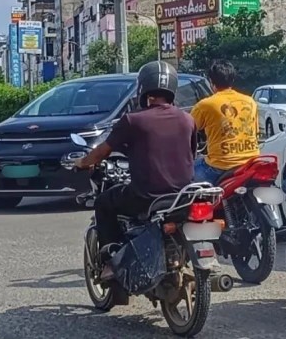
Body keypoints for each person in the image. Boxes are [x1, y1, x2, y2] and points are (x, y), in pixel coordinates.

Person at [74, 61, 196, 280]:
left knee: (104, 202)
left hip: (146, 196)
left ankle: (111, 260)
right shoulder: (188, 119)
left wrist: (83, 162)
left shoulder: (132, 120)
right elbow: (192, 153)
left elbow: (102, 150)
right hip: (183, 196)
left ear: (144, 89)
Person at [190, 60, 259, 184]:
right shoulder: (250, 102)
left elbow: (188, 130)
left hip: (219, 167)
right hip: (251, 162)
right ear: (232, 79)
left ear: (211, 82)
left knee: (186, 179)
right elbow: (255, 131)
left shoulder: (205, 105)